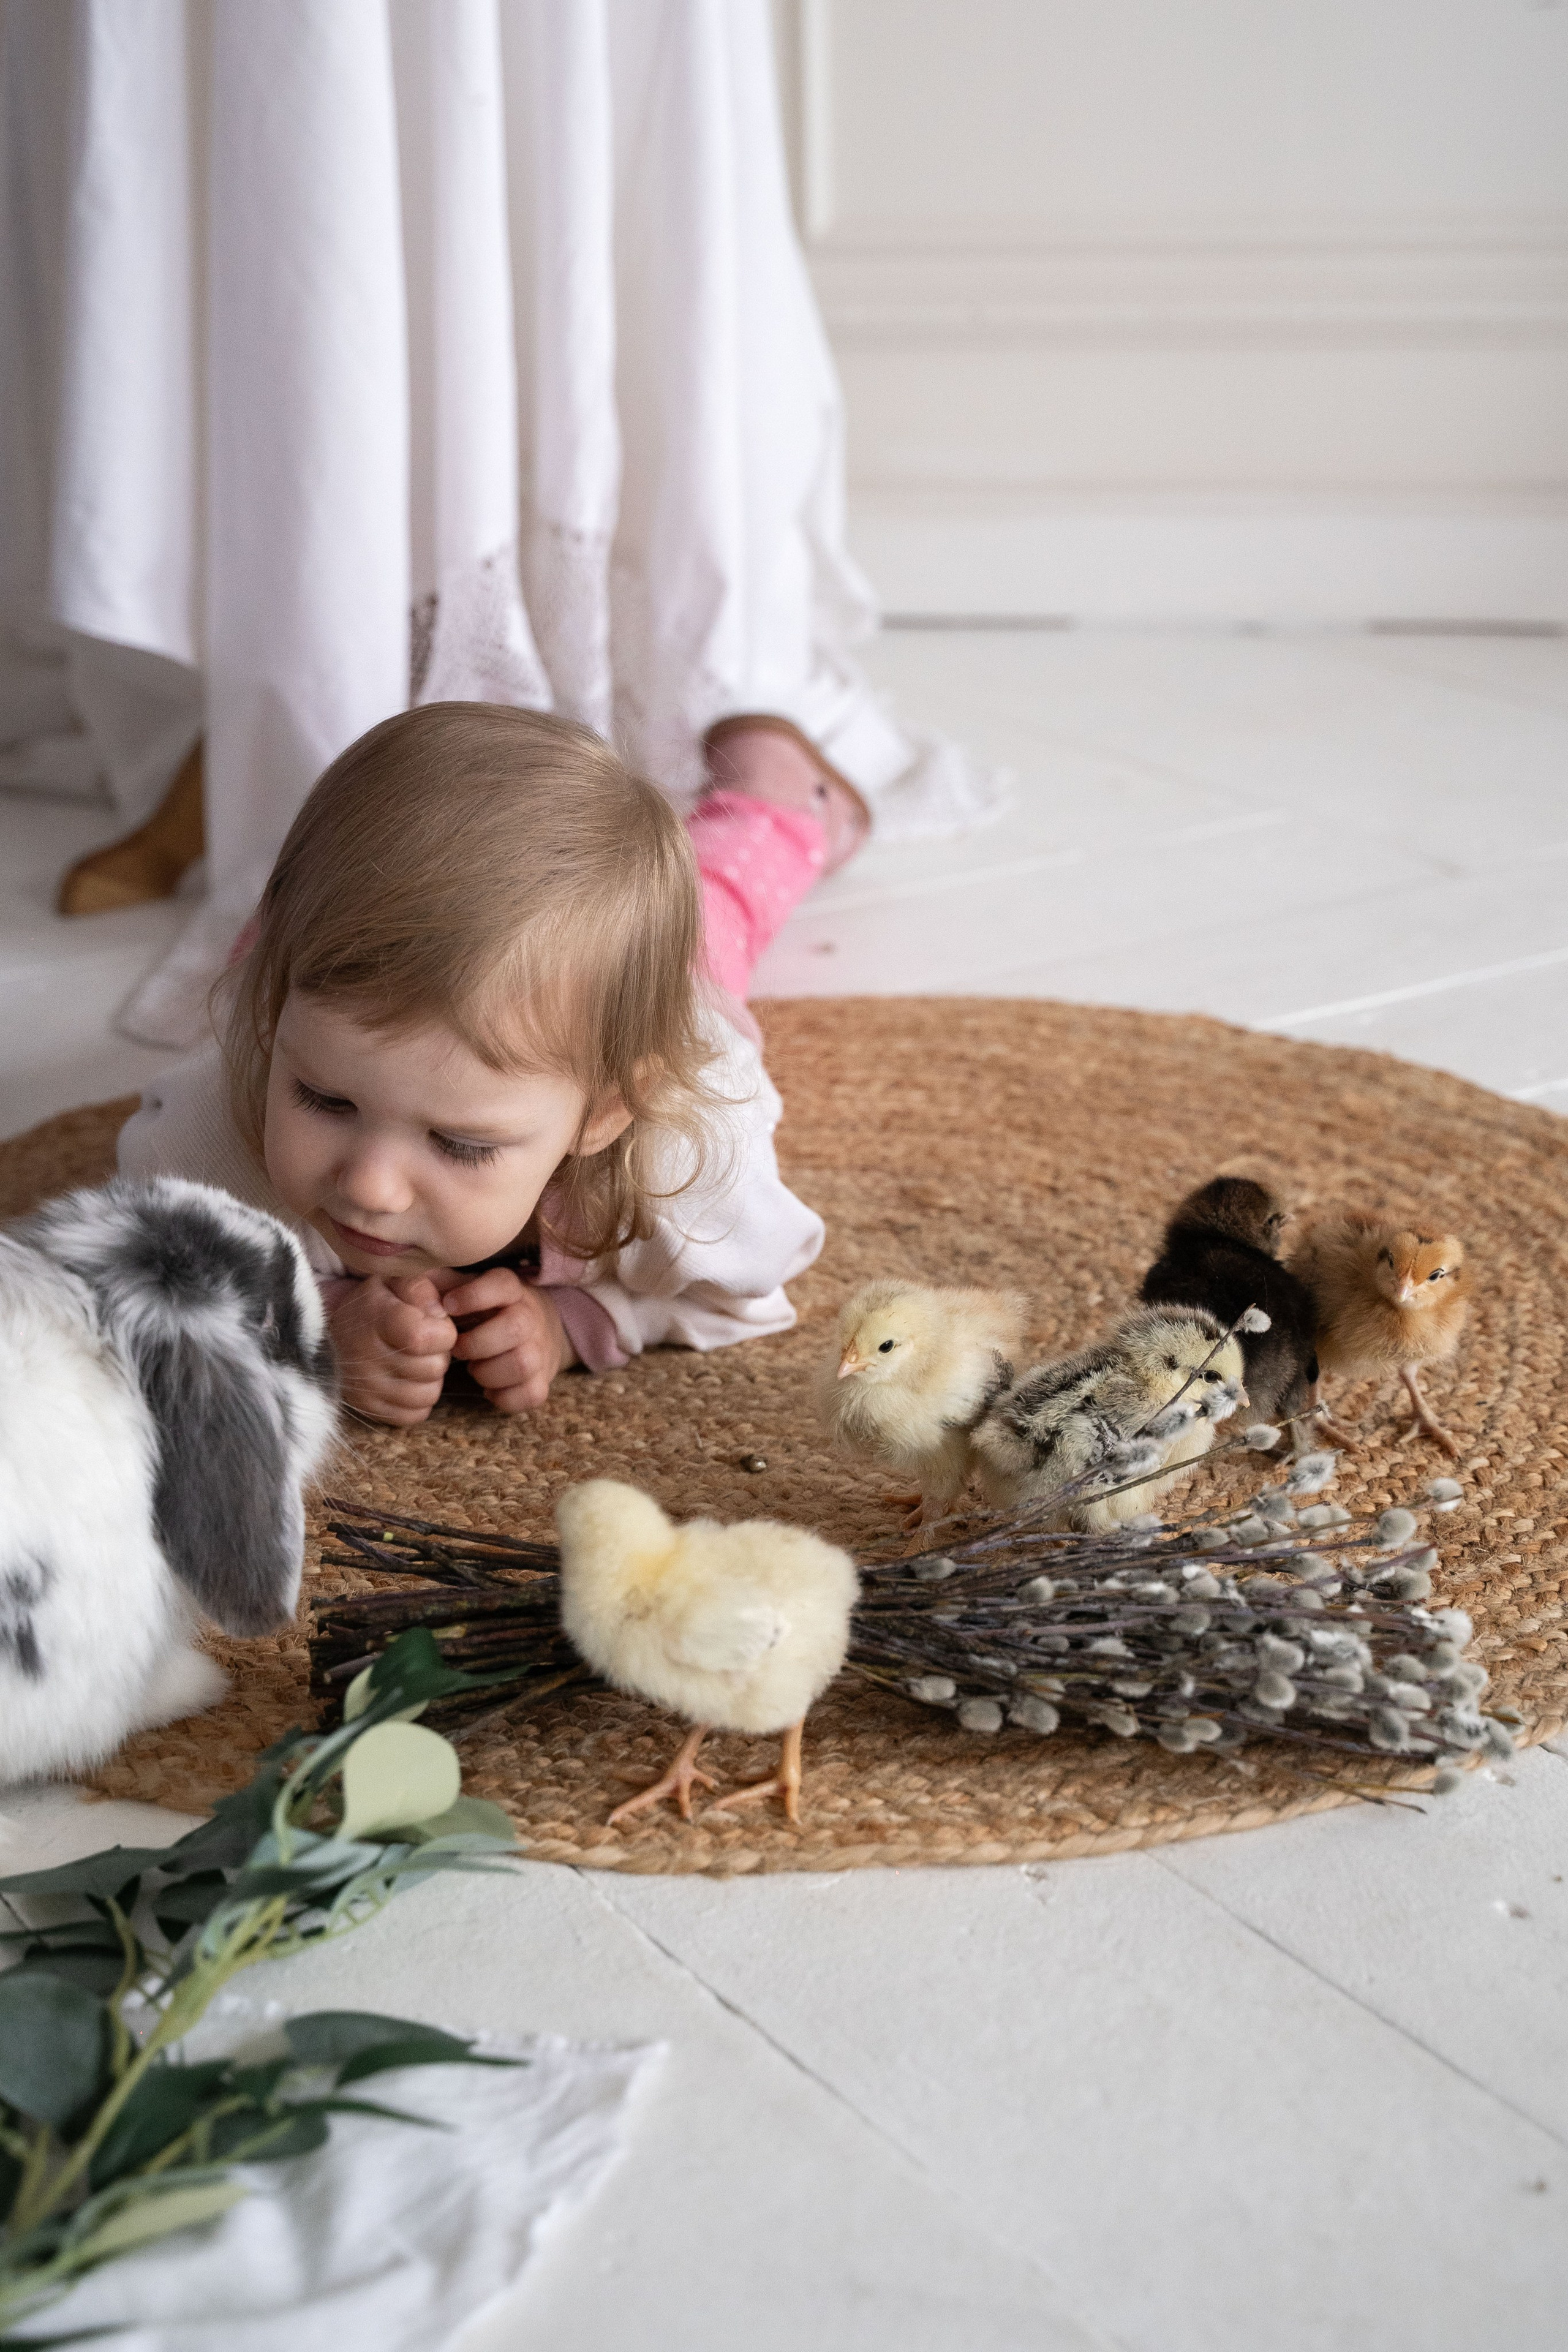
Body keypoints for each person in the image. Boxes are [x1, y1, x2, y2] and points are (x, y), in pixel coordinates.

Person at [117, 703, 868, 1427]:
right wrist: (319, 1327)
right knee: (308, 909)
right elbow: (155, 1271)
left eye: (461, 1144)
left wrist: (575, 1322)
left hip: (678, 985)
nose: (369, 1188)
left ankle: (777, 793)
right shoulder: (220, 1126)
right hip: (306, 956)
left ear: (606, 1113)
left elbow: (746, 1294)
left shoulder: (693, 1180)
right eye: (323, 1100)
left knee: (720, 902)